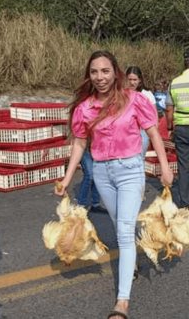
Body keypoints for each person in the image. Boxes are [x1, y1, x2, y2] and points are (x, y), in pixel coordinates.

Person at [55, 51, 173, 319]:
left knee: (123, 229)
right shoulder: (85, 107)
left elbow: (153, 132)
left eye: (105, 71)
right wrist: (67, 178)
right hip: (101, 173)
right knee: (121, 220)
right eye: (95, 72)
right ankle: (131, 260)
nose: (100, 77)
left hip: (130, 170)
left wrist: (165, 168)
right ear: (89, 75)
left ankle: (122, 303)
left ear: (115, 72)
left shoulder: (132, 100)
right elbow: (80, 144)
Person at [166, 50, 189, 207]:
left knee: (184, 165)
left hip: (181, 127)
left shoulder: (175, 82)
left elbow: (169, 109)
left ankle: (185, 201)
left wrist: (169, 127)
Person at [126, 66, 157, 156]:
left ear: (140, 80)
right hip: (127, 132)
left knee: (140, 158)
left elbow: (154, 116)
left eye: (135, 79)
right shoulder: (123, 94)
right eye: (130, 79)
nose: (132, 82)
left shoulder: (147, 94)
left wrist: (154, 137)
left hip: (143, 131)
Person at [76, 146, 103, 212]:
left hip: (97, 146)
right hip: (84, 146)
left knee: (97, 173)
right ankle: (81, 205)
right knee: (89, 175)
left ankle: (95, 203)